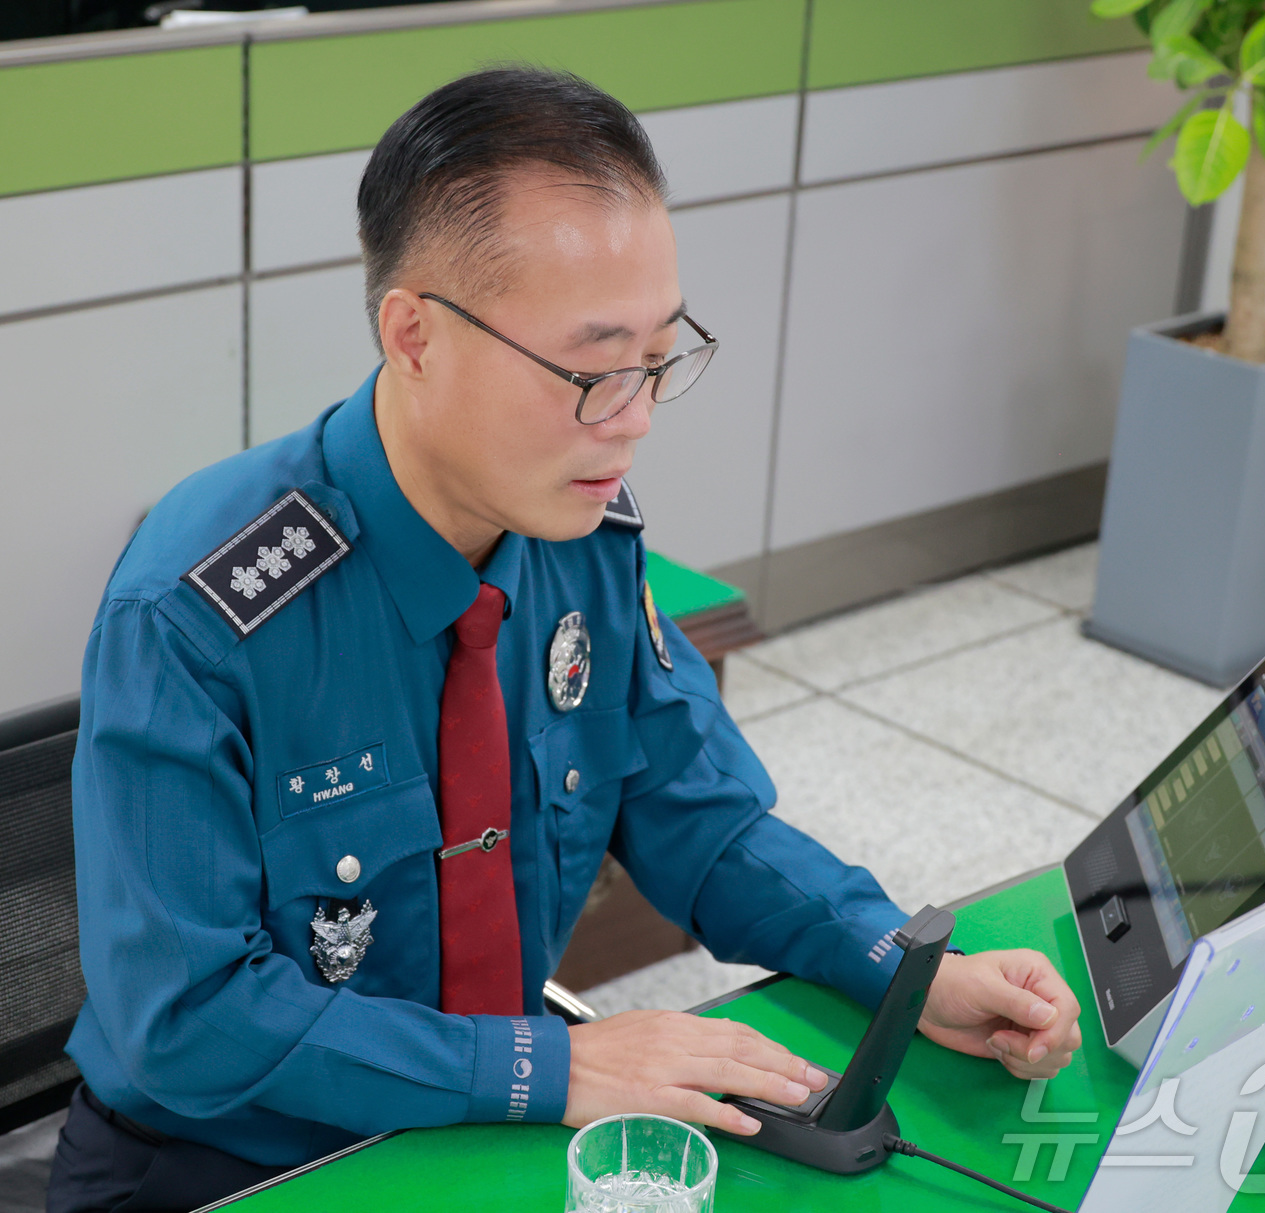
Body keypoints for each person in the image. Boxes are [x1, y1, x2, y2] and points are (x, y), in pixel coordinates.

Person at [48, 67, 1082, 1212]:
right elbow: (184, 1024)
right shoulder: (199, 607)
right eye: (590, 370)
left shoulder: (582, 535)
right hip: (232, 1166)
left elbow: (699, 817)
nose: (634, 418)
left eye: (657, 355)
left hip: (490, 1121)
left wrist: (895, 965)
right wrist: (555, 1066)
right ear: (415, 335)